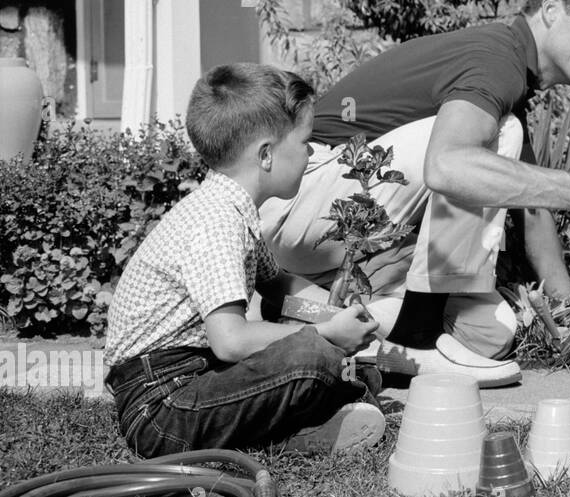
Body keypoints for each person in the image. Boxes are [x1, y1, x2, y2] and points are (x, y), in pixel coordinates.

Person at [260, 0, 570, 386]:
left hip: (332, 238)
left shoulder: (508, 76)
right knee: (487, 143)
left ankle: (307, 314)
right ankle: (417, 336)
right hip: (298, 200)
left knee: (490, 333)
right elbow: (447, 165)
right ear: (551, 10)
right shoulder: (497, 57)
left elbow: (533, 212)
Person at [105, 65, 383, 457]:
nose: (312, 152)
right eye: (306, 141)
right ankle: (295, 433)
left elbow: (280, 285)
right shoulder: (217, 221)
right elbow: (231, 340)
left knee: (352, 366)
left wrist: (333, 314)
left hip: (193, 380)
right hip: (161, 408)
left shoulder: (235, 210)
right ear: (266, 155)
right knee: (315, 355)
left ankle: (302, 425)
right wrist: (327, 335)